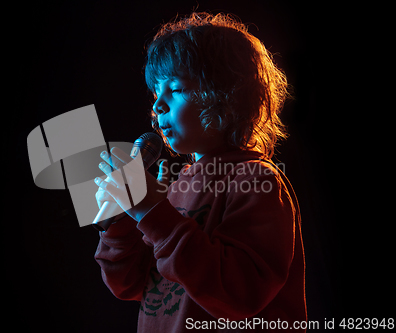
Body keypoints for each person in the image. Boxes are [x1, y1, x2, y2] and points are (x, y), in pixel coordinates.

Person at [93, 12, 306, 332]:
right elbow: (133, 285)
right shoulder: (177, 187)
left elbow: (239, 294)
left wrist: (152, 210)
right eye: (155, 94)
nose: (157, 106)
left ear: (226, 96)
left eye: (175, 89)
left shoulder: (256, 180)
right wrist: (120, 221)